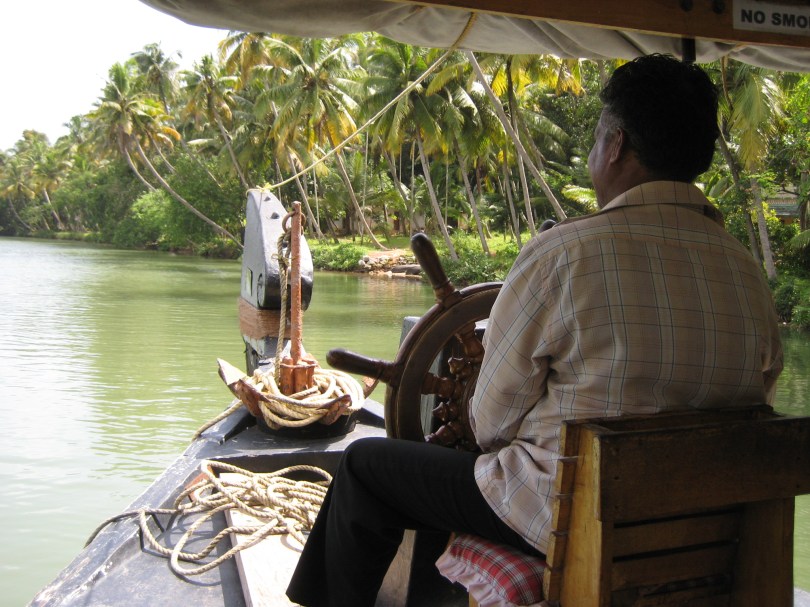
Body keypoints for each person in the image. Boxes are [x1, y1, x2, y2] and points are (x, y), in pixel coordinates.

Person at [286, 54, 783, 607]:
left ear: (614, 145)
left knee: (365, 467)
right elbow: (757, 402)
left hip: (563, 520)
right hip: (707, 529)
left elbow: (490, 425)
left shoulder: (562, 254)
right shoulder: (745, 270)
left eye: (596, 140)